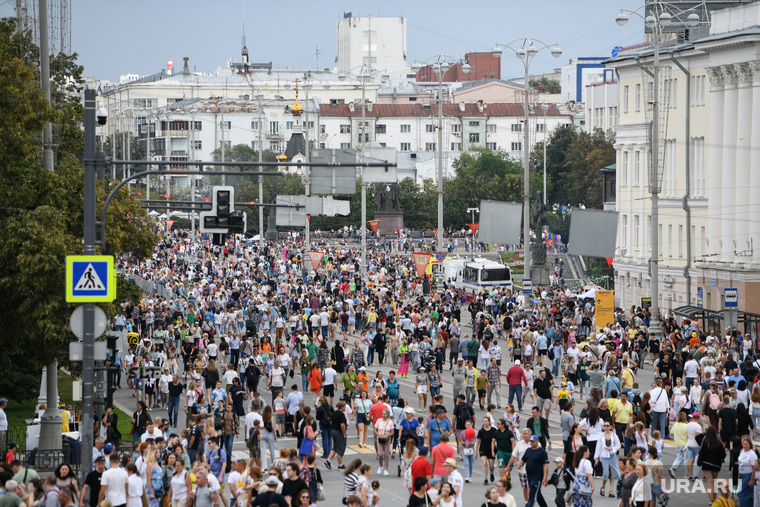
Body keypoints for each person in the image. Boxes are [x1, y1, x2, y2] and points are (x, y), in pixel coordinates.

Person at [698, 426, 726, 504]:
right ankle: (714, 498)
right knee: (714, 481)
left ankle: (711, 500)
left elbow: (701, 451)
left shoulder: (705, 441)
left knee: (709, 481)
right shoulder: (718, 442)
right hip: (716, 465)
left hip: (706, 463)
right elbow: (723, 455)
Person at [520, 436, 549, 507]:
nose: (531, 443)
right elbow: (523, 459)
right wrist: (520, 464)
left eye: (533, 441)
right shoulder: (528, 450)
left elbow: (545, 465)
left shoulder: (542, 452)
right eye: (531, 441)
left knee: (532, 495)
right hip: (529, 476)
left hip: (537, 476)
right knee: (537, 494)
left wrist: (545, 478)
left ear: (537, 441)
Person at [593, 420, 620, 497]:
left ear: (611, 427)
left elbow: (618, 445)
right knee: (606, 473)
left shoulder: (614, 435)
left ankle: (611, 490)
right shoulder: (601, 436)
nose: (606, 427)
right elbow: (598, 447)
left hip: (612, 455)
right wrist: (596, 458)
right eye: (605, 426)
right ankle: (603, 486)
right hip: (604, 456)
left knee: (613, 473)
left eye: (608, 426)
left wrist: (612, 448)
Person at [737, 435, 757, 507]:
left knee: (741, 494)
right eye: (743, 444)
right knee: (748, 494)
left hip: (748, 475)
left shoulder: (752, 454)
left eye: (746, 444)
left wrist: (752, 479)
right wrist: (739, 473)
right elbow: (740, 462)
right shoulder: (742, 451)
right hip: (742, 473)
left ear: (750, 445)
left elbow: (754, 467)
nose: (744, 446)